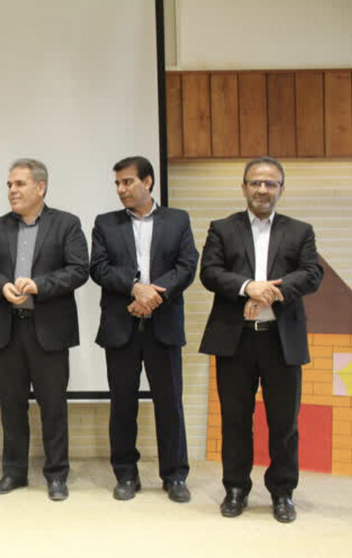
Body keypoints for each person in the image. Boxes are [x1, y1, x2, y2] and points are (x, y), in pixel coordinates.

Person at [200, 157, 323, 523]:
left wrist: (269, 292)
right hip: (235, 340)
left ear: (281, 189)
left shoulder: (300, 231)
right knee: (235, 419)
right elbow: (210, 272)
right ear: (244, 188)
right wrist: (247, 287)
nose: (262, 190)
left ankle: (282, 492)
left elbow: (312, 274)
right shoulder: (222, 228)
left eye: (270, 183)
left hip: (281, 341)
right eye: (255, 183)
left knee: (284, 422)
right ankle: (236, 489)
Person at [0, 158, 89, 501]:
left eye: (19, 184)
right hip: (9, 329)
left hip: (49, 330)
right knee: (12, 407)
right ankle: (14, 472)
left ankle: (57, 475)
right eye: (9, 184)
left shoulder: (66, 224)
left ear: (40, 187)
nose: (12, 190)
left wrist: (40, 285)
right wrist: (2, 286)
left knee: (53, 406)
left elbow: (78, 269)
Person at [90, 156, 198, 503]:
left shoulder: (177, 220)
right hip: (121, 324)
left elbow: (187, 266)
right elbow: (99, 268)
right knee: (123, 404)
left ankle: (175, 475)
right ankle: (126, 474)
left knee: (170, 403)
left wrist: (154, 296)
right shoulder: (105, 223)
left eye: (128, 182)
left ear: (148, 181)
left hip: (163, 324)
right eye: (117, 184)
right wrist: (135, 288)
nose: (121, 189)